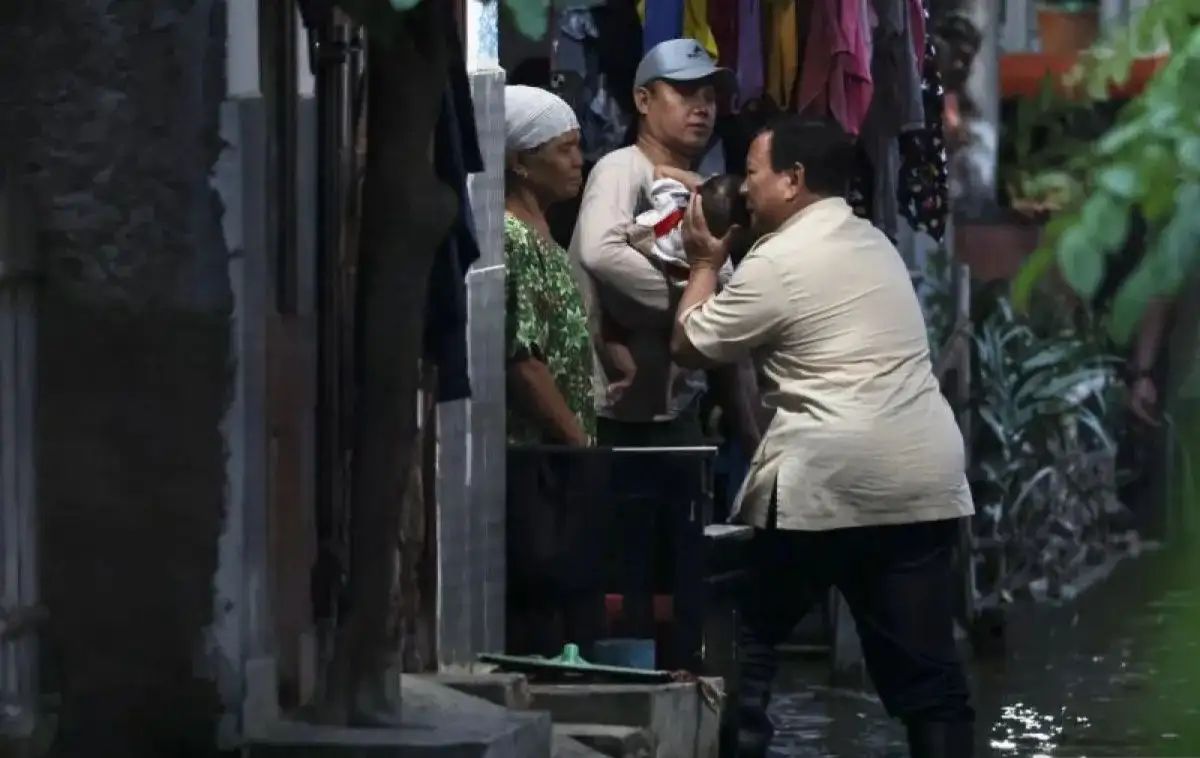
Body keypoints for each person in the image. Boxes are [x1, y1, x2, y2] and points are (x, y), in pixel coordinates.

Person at [671, 116, 976, 757]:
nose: (746, 190)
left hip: (830, 478)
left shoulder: (778, 260)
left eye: (752, 174)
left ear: (793, 179)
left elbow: (693, 341)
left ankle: (743, 740)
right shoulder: (874, 242)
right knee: (932, 681)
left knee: (748, 641)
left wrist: (703, 261)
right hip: (922, 477)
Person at [569, 37, 737, 447]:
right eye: (683, 92)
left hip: (674, 408)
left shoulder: (700, 186)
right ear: (644, 101)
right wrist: (691, 311)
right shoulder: (621, 168)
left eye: (709, 96)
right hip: (616, 417)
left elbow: (720, 275)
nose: (701, 107)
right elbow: (600, 252)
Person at [502, 85, 606, 657]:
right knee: (539, 603)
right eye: (563, 149)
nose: (578, 161)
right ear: (520, 161)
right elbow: (521, 359)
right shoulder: (511, 238)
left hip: (562, 454)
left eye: (578, 147)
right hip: (536, 458)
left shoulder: (546, 236)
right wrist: (576, 441)